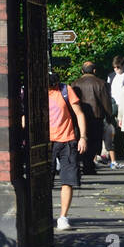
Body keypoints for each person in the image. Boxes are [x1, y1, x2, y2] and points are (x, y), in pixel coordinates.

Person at [48, 71, 88, 231]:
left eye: (54, 84)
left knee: (68, 179)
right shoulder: (34, 91)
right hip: (46, 141)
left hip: (67, 140)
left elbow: (79, 114)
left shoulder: (65, 90)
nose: (53, 87)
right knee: (44, 181)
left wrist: (83, 137)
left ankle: (63, 217)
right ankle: (44, 216)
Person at [70, 62, 112, 175]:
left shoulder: (75, 84)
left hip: (79, 118)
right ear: (94, 71)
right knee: (94, 141)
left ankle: (83, 163)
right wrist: (109, 117)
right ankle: (89, 164)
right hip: (96, 117)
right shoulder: (101, 83)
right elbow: (106, 103)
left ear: (82, 71)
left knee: (81, 140)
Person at [108, 56, 124, 164]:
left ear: (123, 66)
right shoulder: (111, 76)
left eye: (118, 67)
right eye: (114, 67)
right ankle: (107, 154)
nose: (116, 69)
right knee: (111, 131)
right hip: (113, 106)